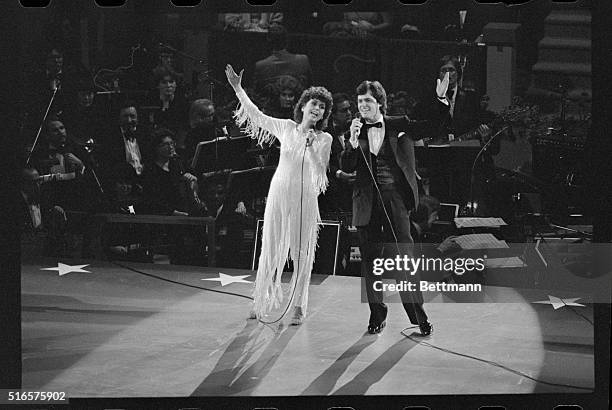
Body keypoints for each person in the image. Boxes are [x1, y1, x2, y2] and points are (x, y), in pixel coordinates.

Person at [226, 64, 332, 325]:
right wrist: (238, 89)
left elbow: (321, 173)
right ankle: (259, 300)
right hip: (279, 191)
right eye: (314, 103)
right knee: (270, 247)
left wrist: (313, 147)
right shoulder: (286, 127)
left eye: (322, 107)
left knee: (301, 253)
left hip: (304, 197)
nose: (317, 109)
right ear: (304, 105)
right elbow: (257, 117)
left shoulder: (325, 138)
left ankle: (298, 305)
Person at [342, 80, 441, 335]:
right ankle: (377, 314)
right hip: (367, 202)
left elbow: (429, 126)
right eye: (360, 101)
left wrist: (440, 102)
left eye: (368, 101)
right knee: (371, 262)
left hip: (395, 199)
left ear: (380, 104)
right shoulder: (354, 131)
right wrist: (352, 141)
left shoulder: (399, 124)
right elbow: (348, 165)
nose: (363, 106)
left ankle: (418, 316)